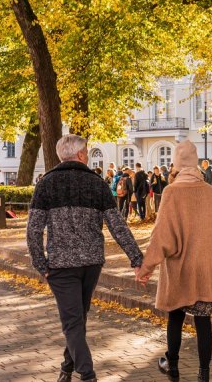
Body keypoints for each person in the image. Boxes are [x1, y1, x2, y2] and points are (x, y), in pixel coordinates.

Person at [27, 134, 143, 382]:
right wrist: (136, 257)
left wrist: (41, 264)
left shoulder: (46, 184)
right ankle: (71, 370)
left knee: (73, 321)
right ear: (80, 155)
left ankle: (85, 375)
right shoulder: (96, 183)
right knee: (77, 319)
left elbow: (34, 229)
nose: (88, 155)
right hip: (91, 262)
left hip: (60, 265)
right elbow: (117, 226)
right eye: (87, 152)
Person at [136, 141, 212, 382]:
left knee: (175, 317)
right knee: (202, 322)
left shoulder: (171, 192)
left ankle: (173, 366)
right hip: (207, 268)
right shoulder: (210, 193)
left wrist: (146, 267)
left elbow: (161, 237)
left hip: (179, 268)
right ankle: (204, 374)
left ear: (176, 166)